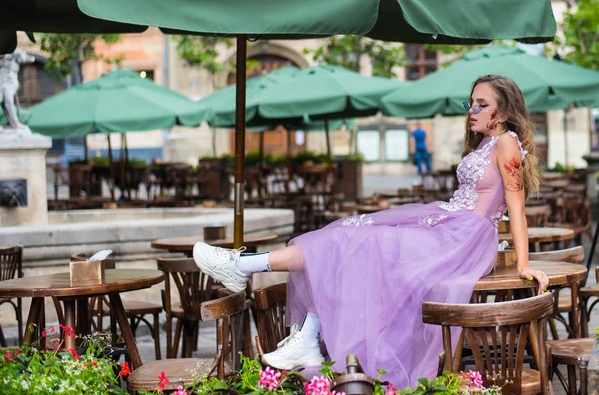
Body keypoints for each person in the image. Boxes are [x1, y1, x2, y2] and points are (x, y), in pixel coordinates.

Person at [192, 75, 550, 388]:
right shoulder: (488, 143)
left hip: (461, 237)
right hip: (446, 224)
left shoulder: (505, 142)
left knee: (360, 239)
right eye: (470, 102)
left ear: (501, 114)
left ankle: (245, 269)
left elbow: (516, 207)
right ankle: (287, 313)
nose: (471, 109)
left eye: (481, 104)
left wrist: (524, 264)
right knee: (349, 236)